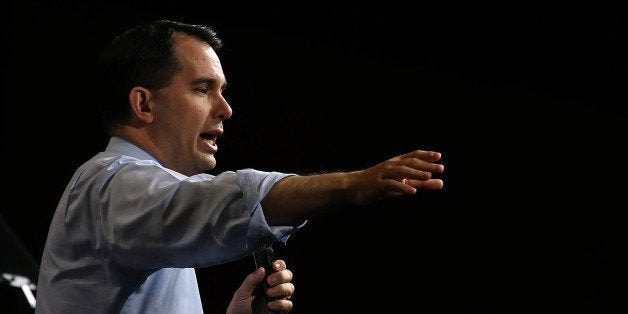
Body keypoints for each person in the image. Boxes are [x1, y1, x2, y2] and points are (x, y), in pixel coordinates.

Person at [34, 19, 445, 314]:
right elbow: (217, 203)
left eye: (222, 91)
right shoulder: (110, 184)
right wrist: (348, 185)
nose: (225, 109)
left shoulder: (138, 197)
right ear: (143, 104)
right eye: (202, 89)